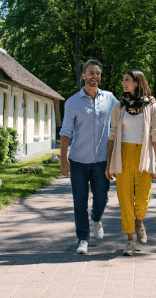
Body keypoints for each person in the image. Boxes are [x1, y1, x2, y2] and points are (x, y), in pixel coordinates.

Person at [60, 59, 119, 255]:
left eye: (98, 73)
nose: (95, 76)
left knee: (101, 198)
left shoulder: (110, 99)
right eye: (91, 73)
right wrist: (63, 160)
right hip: (78, 160)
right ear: (83, 76)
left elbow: (126, 112)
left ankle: (96, 218)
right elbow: (66, 132)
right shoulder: (72, 102)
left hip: (102, 160)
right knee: (79, 202)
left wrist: (147, 101)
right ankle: (83, 239)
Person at [105, 69, 156, 256]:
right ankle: (130, 241)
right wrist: (108, 164)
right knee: (125, 200)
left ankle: (139, 222)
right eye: (123, 80)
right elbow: (112, 135)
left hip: (144, 155)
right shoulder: (118, 107)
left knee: (142, 200)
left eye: (127, 80)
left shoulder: (152, 107)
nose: (123, 83)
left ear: (138, 82)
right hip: (123, 156)